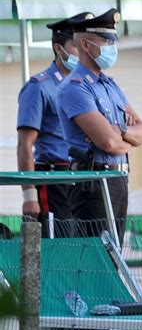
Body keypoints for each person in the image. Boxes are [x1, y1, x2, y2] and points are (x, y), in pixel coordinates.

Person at [56, 8, 142, 330]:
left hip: (116, 178)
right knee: (90, 266)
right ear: (84, 43)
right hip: (93, 183)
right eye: (105, 39)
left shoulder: (110, 86)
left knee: (110, 265)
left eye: (113, 38)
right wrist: (121, 134)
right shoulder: (74, 89)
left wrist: (120, 135)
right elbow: (108, 139)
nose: (111, 45)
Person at [17, 12, 91, 238]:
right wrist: (30, 195)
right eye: (77, 46)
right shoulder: (39, 87)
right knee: (57, 250)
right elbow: (24, 145)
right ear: (60, 49)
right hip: (53, 180)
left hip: (81, 180)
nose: (84, 52)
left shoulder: (85, 85)